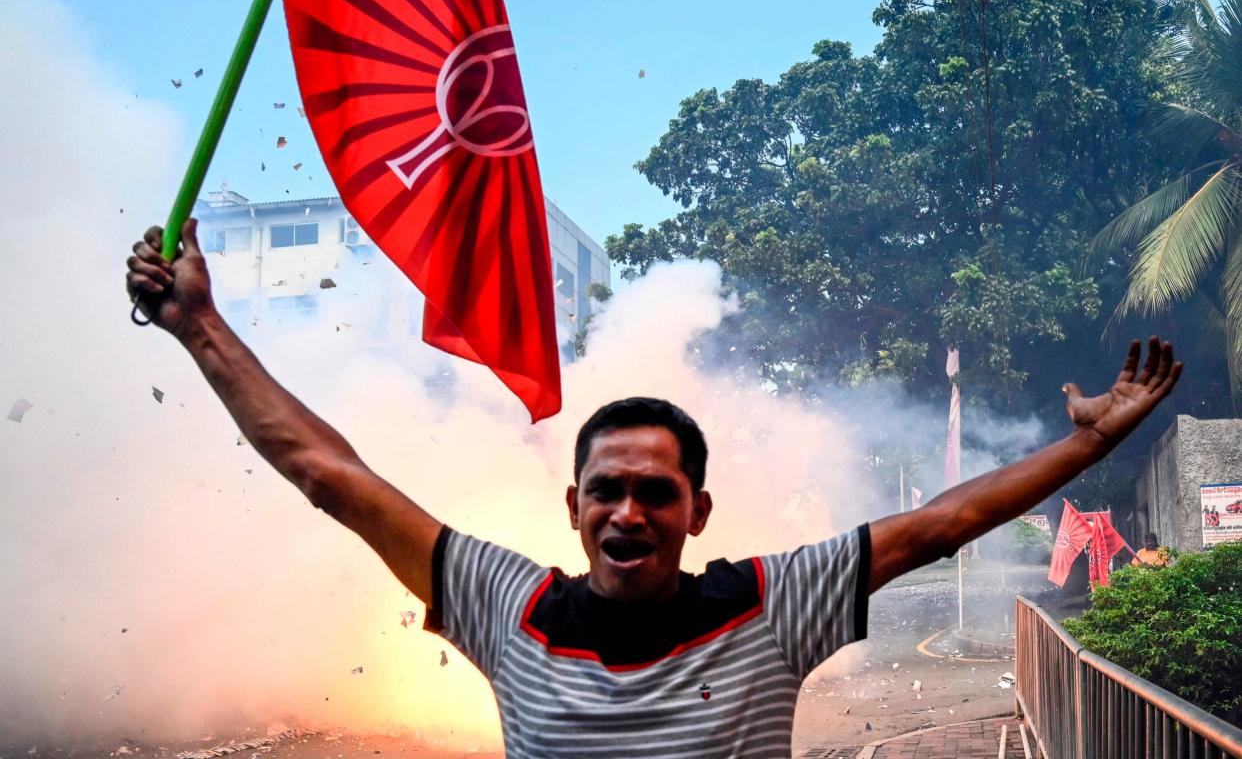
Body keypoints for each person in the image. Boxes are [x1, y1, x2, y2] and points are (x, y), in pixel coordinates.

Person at [125, 220, 1184, 757]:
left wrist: (1081, 448)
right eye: (607, 489)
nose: (628, 510)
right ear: (575, 506)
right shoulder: (509, 605)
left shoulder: (772, 605)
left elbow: (946, 522)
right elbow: (331, 477)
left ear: (698, 512)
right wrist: (198, 325)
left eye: (655, 491)